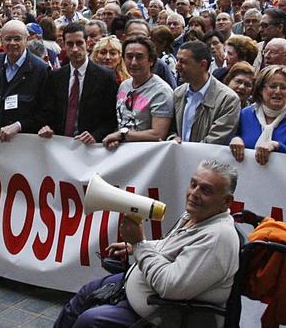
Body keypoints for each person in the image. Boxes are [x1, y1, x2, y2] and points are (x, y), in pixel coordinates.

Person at [54, 160, 241, 328]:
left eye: (206, 190)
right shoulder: (198, 216)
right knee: (85, 294)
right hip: (145, 295)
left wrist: (139, 245)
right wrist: (136, 246)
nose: (194, 193)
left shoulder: (218, 237)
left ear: (226, 201)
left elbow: (170, 286)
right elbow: (172, 249)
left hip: (164, 315)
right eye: (193, 184)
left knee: (89, 321)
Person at [0, 20, 50, 141]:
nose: (12, 43)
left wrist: (18, 126)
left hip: (23, 142)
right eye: (8, 39)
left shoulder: (41, 70)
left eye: (17, 39)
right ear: (1, 40)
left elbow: (45, 112)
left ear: (26, 39)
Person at [38, 23, 118, 145]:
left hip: (89, 147)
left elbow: (111, 118)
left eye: (79, 43)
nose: (75, 49)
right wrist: (47, 127)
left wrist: (95, 136)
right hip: (60, 145)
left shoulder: (105, 77)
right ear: (64, 45)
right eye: (70, 44)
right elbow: (48, 112)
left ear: (87, 43)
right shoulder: (56, 77)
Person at [228, 65, 286, 164]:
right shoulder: (246, 114)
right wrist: (235, 139)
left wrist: (277, 146)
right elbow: (231, 138)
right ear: (261, 89)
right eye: (272, 86)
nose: (278, 91)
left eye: (283, 87)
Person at [102, 37, 174, 149]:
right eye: (129, 57)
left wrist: (123, 135)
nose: (133, 62)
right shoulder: (124, 86)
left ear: (151, 61)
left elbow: (158, 134)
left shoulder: (162, 91)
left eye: (139, 57)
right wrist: (115, 138)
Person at [171, 40, 241, 144]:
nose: (177, 67)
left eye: (183, 62)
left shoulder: (227, 99)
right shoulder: (178, 93)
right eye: (178, 61)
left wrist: (185, 152)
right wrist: (172, 139)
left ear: (203, 64)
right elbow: (170, 129)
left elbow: (216, 141)